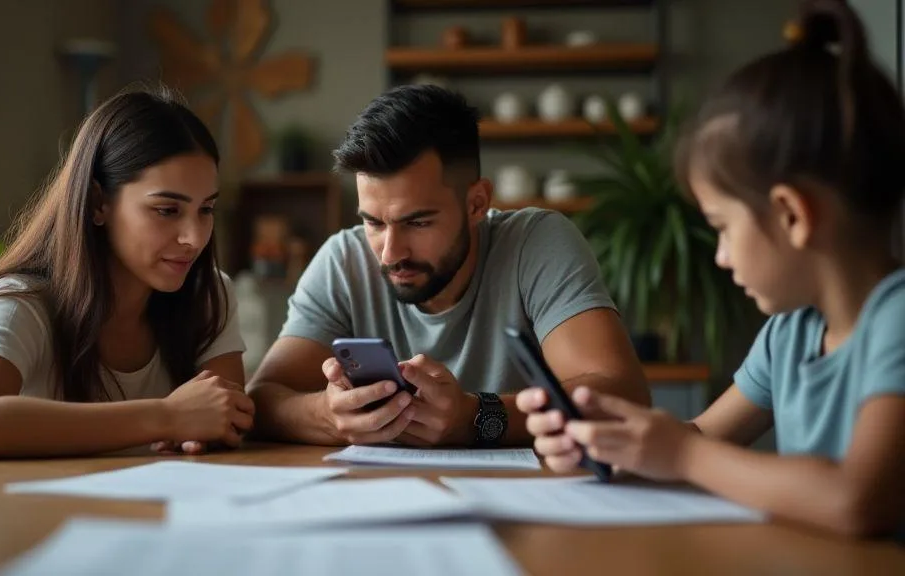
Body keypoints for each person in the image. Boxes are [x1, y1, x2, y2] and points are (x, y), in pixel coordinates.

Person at [519, 0, 905, 539]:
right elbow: (701, 438)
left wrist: (678, 453)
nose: (720, 256)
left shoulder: (896, 320)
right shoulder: (790, 333)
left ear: (792, 214)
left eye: (723, 226)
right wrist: (610, 443)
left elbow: (856, 501)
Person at [247, 84, 650, 448]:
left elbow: (621, 394)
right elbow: (263, 398)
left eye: (417, 222)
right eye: (373, 222)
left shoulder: (536, 243)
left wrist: (476, 417)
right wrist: (329, 415)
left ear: (477, 203)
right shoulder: (343, 260)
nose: (389, 253)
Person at [0, 88, 253, 463]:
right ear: (99, 202)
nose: (195, 238)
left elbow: (226, 416)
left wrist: (207, 427)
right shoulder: (23, 303)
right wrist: (167, 416)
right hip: (34, 518)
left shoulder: (209, 294)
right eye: (167, 210)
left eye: (206, 209)